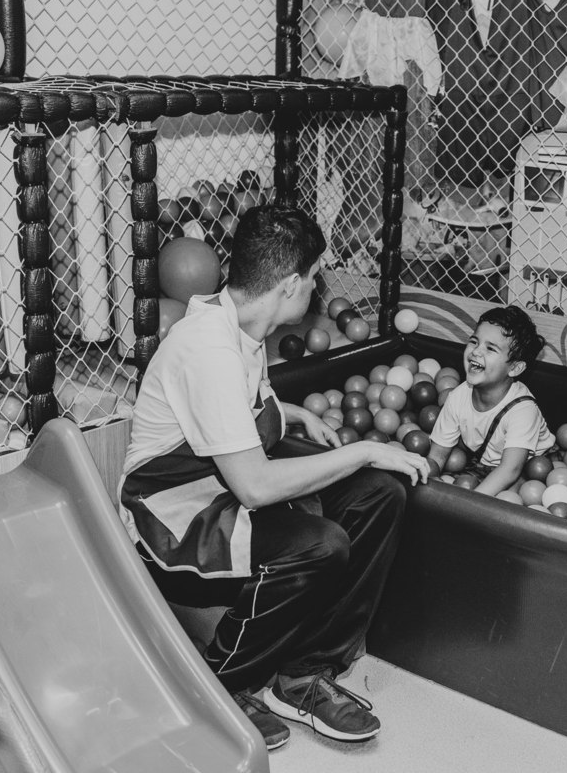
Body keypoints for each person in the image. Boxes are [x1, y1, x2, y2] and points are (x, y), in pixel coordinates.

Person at [118, 206, 429, 749]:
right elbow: (255, 486)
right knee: (319, 544)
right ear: (288, 285)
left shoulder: (242, 325)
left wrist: (296, 413)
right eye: (313, 278)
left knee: (380, 494)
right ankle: (218, 685)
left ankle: (303, 675)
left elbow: (239, 409)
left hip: (222, 494)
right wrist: (362, 450)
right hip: (172, 522)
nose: (315, 287)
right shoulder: (208, 349)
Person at [427, 305, 556, 495]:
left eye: (490, 348)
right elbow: (437, 456)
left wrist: (469, 504)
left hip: (530, 466)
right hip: (482, 463)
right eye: (474, 341)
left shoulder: (523, 410)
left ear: (515, 368)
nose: (476, 352)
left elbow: (510, 470)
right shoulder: (458, 396)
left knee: (513, 495)